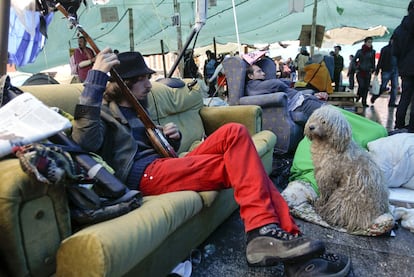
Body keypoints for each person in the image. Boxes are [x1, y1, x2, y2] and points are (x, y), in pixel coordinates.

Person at [71, 48, 350, 276]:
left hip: (166, 164)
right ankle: (287, 244)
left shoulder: (141, 107)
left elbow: (161, 150)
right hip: (145, 175)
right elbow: (84, 141)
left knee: (236, 133)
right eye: (143, 78)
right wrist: (96, 77)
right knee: (247, 166)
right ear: (124, 83)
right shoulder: (105, 111)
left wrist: (173, 139)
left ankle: (279, 242)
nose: (149, 83)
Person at [246, 64, 327, 121]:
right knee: (331, 114)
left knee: (330, 110)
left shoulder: (261, 84)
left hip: (301, 99)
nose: (263, 73)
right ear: (251, 76)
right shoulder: (253, 86)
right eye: (259, 71)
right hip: (299, 104)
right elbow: (276, 84)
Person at [393, 0, 414, 133]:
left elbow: (395, 51)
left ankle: (399, 125)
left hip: (406, 69)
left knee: (405, 97)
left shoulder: (400, 29)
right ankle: (412, 128)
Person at [372, 37, 399, 107]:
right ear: (390, 40)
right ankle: (375, 96)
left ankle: (392, 103)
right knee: (383, 86)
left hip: (395, 70)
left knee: (395, 87)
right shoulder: (385, 49)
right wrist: (377, 70)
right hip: (386, 70)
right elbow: (380, 60)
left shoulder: (398, 49)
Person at [352, 37, 376, 107]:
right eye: (368, 42)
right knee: (361, 86)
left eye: (371, 42)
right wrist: (356, 68)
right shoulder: (360, 51)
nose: (370, 44)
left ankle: (364, 102)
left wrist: (373, 69)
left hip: (368, 72)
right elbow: (354, 60)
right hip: (360, 72)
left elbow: (373, 61)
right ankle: (358, 97)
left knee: (366, 87)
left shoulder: (373, 51)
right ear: (365, 43)